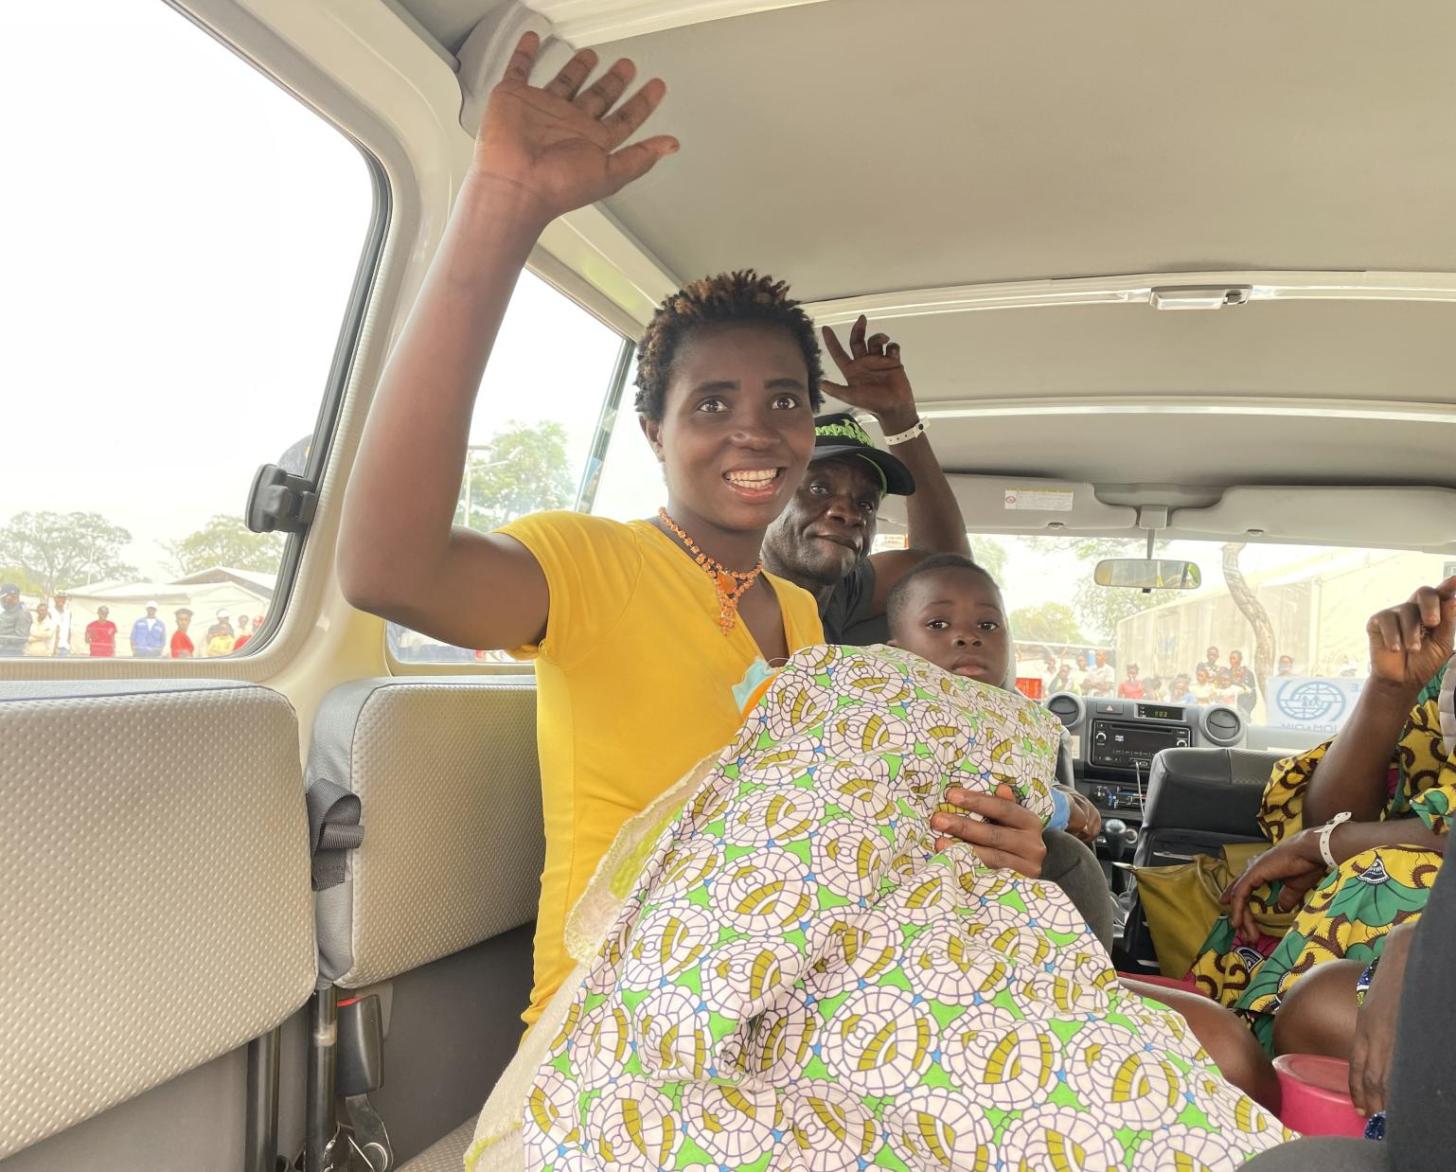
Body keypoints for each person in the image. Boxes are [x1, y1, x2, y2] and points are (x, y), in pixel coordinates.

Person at [337, 36, 1059, 1034]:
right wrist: (501, 207)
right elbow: (387, 567)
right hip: (616, 1013)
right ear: (653, 431)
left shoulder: (804, 620)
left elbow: (847, 828)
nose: (754, 430)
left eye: (784, 401)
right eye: (712, 402)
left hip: (785, 1005)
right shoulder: (590, 562)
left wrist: (994, 841)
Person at [489, 558, 1288, 1170]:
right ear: (893, 649)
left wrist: (1053, 829)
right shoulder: (847, 693)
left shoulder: (1016, 728)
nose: (967, 637)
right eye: (939, 625)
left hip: (991, 941)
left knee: (1215, 1050)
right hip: (865, 940)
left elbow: (1037, 821)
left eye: (987, 625)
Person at [1186, 579, 1456, 1061]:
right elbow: (1333, 816)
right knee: (1293, 884)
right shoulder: (1445, 671)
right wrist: (1390, 689)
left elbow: (1334, 832)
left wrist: (1327, 842)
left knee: (1379, 878)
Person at [760, 316, 970, 645]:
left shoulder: (843, 593)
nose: (849, 513)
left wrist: (899, 419)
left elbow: (947, 570)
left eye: (866, 503)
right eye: (819, 488)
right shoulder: (714, 591)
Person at [0, 584, 31, 656]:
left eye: (4, 597)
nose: (2, 600)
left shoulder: (22, 613)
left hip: (11, 653)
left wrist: (2, 639)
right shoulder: (6, 611)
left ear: (13, 597)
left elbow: (21, 637)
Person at [1229, 648, 1258, 715]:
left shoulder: (1248, 674)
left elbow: (1253, 694)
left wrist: (1247, 709)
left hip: (1245, 708)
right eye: (1230, 658)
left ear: (1240, 659)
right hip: (1231, 708)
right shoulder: (1227, 674)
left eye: (1233, 658)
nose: (1231, 660)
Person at [51, 591, 72, 656]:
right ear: (55, 599)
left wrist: (69, 644)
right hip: (52, 647)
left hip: (65, 647)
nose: (61, 600)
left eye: (63, 598)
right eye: (59, 598)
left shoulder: (68, 613)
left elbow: (69, 629)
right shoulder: (50, 612)